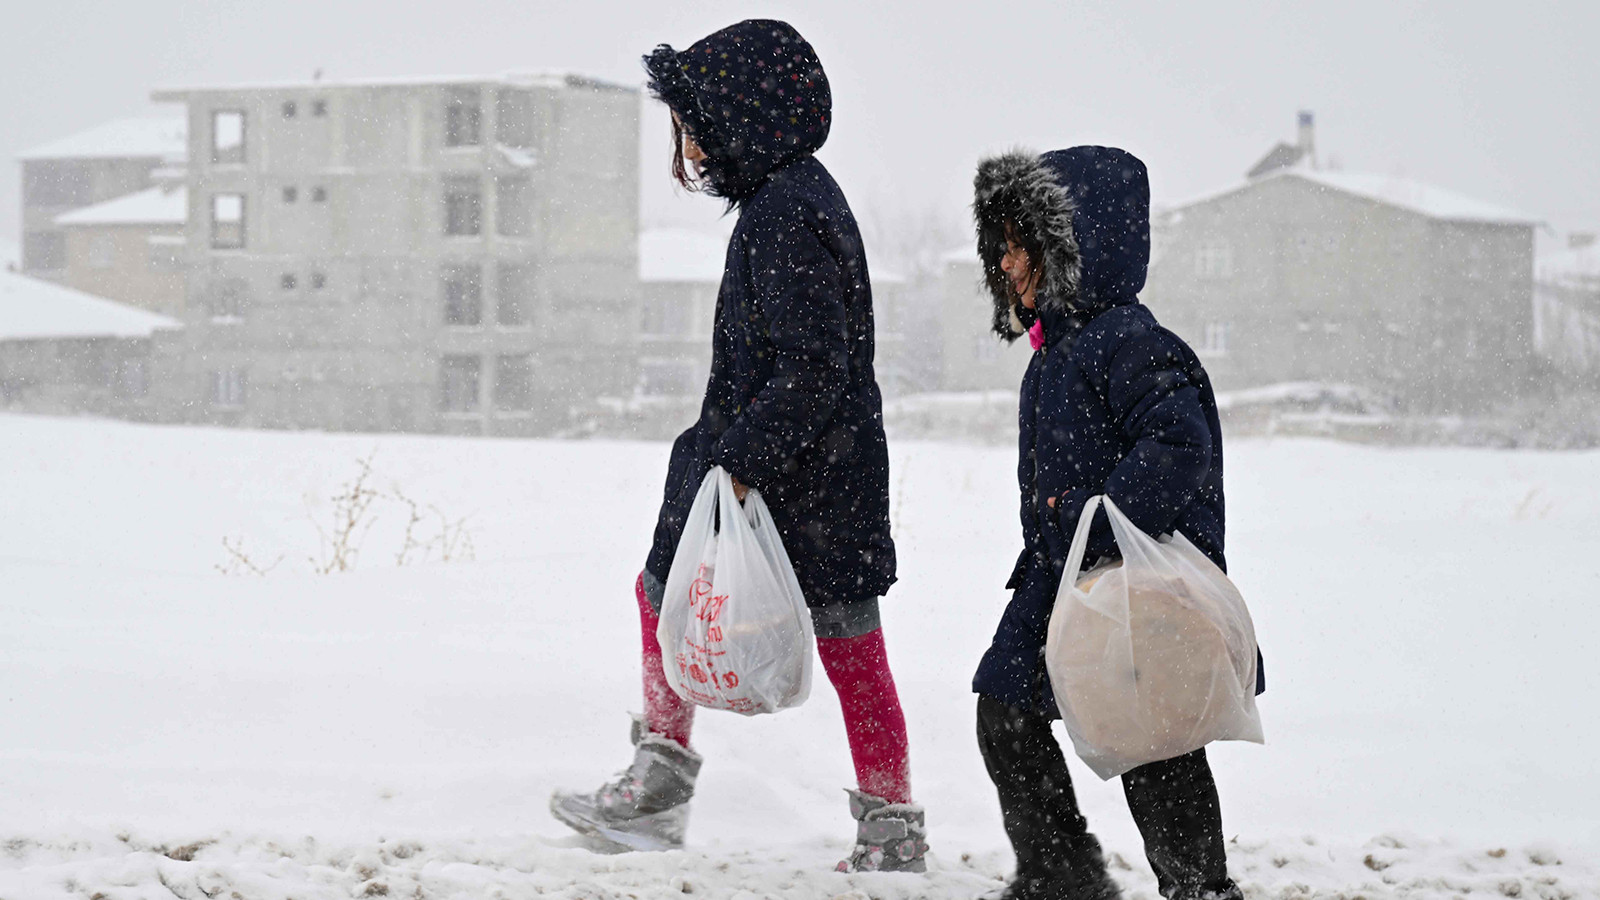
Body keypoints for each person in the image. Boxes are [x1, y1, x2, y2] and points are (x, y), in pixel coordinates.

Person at [550, 19, 926, 874]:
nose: (688, 148)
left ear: (742, 123)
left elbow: (814, 367)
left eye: (695, 126)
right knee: (695, 604)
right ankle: (885, 825)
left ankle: (665, 792)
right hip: (811, 471)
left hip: (798, 479)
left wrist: (741, 463)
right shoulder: (791, 199)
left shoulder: (787, 214)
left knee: (839, 644)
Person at [969, 146, 1262, 900]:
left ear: (1068, 249)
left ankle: (1198, 888)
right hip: (1061, 575)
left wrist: (1097, 521)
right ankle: (1061, 874)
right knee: (1005, 710)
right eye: (998, 245)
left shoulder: (1128, 341)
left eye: (1017, 244)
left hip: (1131, 581)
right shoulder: (1055, 352)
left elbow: (1177, 442)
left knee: (1154, 744)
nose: (1005, 263)